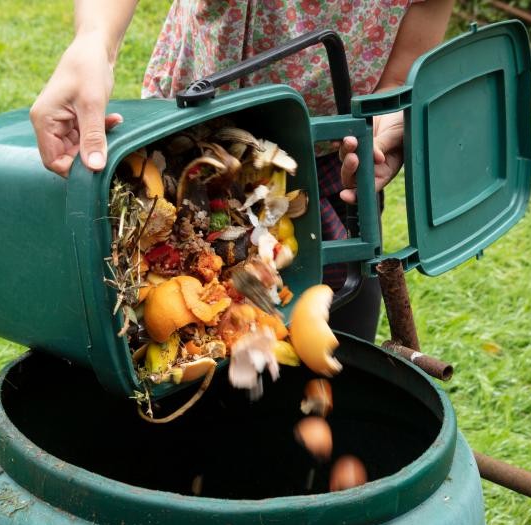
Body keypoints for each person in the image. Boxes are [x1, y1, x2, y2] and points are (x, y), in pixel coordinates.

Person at [30, 0, 453, 341]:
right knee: (157, 323)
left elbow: (414, 42)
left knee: (336, 338)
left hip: (330, 165)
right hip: (183, 146)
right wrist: (94, 41)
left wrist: (388, 114)